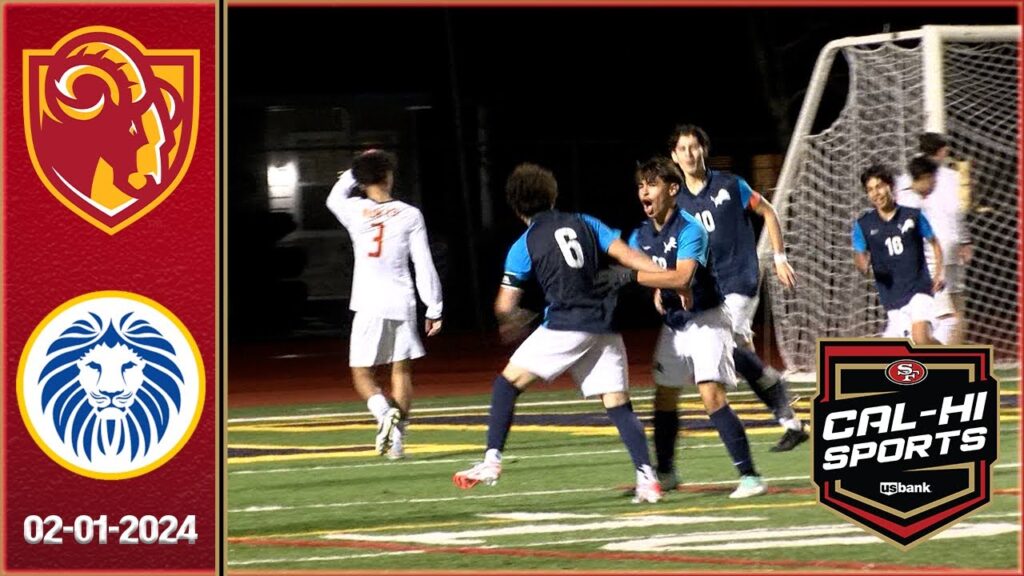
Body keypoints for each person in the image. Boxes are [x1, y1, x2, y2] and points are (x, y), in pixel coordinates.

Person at [452, 162, 683, 504]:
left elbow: (504, 304)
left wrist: (515, 318)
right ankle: (647, 479)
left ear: (516, 207)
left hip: (565, 324)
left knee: (506, 384)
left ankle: (491, 461)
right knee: (618, 405)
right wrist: (668, 279)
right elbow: (629, 256)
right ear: (552, 195)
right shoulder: (585, 221)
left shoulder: (525, 242)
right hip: (603, 325)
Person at [627, 157, 766, 498]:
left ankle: (750, 476)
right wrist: (658, 285)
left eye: (652, 184)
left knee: (711, 396)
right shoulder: (640, 234)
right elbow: (640, 268)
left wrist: (650, 279)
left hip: (707, 320)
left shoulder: (690, 229)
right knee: (664, 396)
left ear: (673, 190)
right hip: (676, 325)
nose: (644, 191)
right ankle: (668, 472)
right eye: (641, 186)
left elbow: (682, 275)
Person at [669, 124, 807, 452]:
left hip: (740, 282)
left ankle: (779, 416)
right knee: (743, 357)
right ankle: (791, 421)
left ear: (704, 149)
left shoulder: (731, 185)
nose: (690, 153)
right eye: (683, 149)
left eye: (694, 146)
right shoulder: (678, 202)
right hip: (711, 291)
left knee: (726, 350)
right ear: (674, 156)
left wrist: (779, 257)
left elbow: (769, 212)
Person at [325, 149, 443, 460]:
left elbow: (333, 196)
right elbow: (423, 262)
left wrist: (356, 170)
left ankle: (382, 414)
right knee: (401, 372)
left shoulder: (353, 210)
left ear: (362, 182)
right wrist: (434, 307)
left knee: (362, 374)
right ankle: (398, 442)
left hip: (367, 301)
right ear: (389, 176)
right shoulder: (409, 214)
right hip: (402, 300)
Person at [895, 132, 973, 344]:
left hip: (920, 257)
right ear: (943, 151)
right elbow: (957, 212)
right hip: (945, 249)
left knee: (930, 315)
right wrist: (965, 241)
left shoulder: (903, 180)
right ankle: (951, 357)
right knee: (951, 309)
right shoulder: (950, 177)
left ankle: (943, 361)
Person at [853, 164, 944, 345]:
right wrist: (864, 264)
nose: (876, 193)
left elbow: (935, 243)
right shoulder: (863, 225)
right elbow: (860, 255)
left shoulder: (913, 216)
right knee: (908, 348)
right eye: (870, 190)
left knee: (920, 338)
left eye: (879, 186)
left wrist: (939, 273)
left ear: (890, 186)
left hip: (920, 289)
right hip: (893, 297)